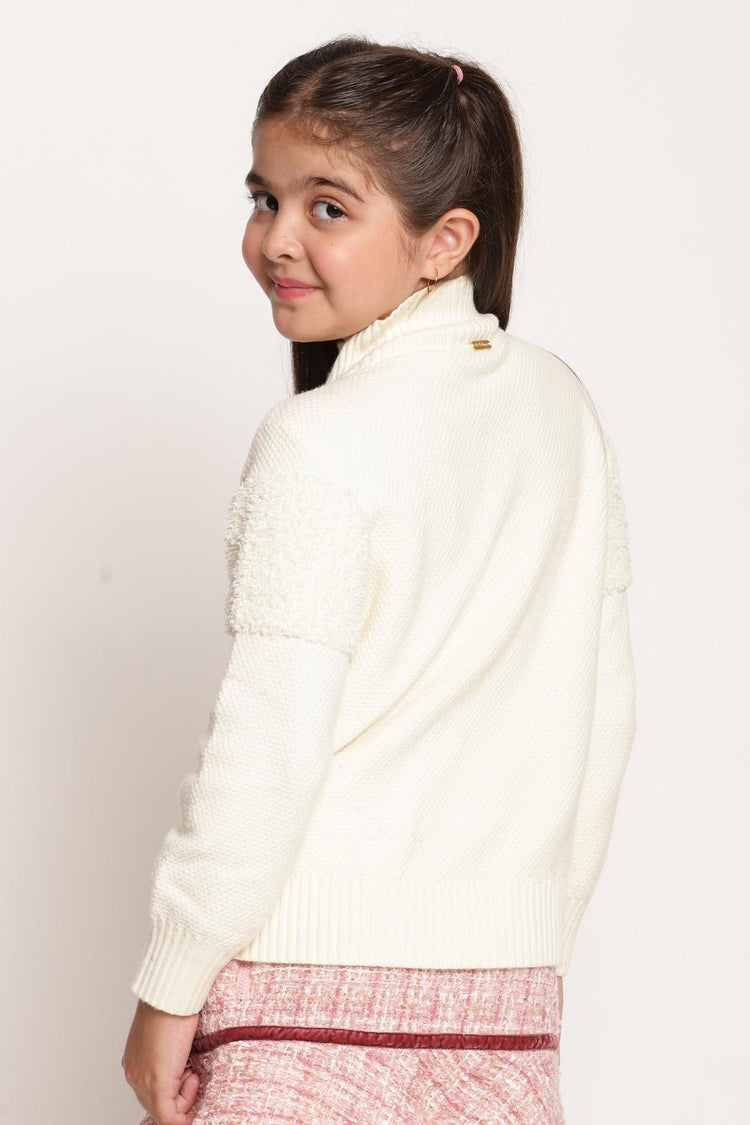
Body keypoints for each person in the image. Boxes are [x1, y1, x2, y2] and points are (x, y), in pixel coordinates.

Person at [122, 35, 636, 1125]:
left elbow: (267, 743)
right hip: (503, 1009)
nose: (277, 238)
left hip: (302, 1003)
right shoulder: (561, 412)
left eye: (328, 207)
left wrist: (170, 984)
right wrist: (531, 941)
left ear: (447, 241)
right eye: (264, 198)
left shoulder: (318, 439)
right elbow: (601, 716)